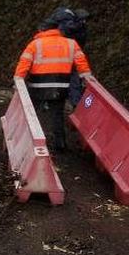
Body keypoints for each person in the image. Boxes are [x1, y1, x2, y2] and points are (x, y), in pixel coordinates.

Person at [14, 8, 94, 151]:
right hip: (60, 86)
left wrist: (18, 80)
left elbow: (23, 64)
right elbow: (82, 64)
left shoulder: (35, 44)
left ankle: (31, 142)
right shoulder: (71, 44)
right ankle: (60, 143)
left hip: (37, 86)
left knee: (33, 114)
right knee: (57, 114)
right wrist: (87, 78)